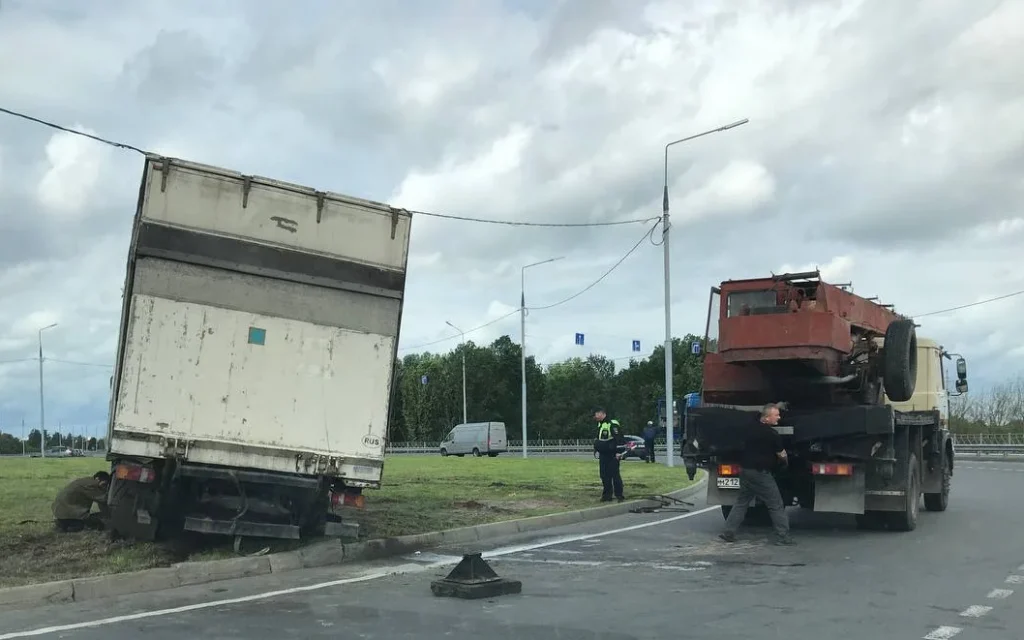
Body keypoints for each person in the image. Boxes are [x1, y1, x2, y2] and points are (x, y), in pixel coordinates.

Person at [719, 403, 796, 546]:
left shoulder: (749, 430)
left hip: (746, 471)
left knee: (742, 502)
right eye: (776, 415)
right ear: (766, 418)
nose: (779, 417)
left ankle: (728, 532)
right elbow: (781, 454)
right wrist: (785, 461)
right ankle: (783, 536)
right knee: (776, 504)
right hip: (760, 474)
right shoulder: (772, 434)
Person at [593, 408, 625, 502]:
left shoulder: (612, 424)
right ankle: (607, 495)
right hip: (603, 454)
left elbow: (619, 438)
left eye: (597, 414)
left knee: (614, 475)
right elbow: (599, 438)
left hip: (613, 454)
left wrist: (619, 452)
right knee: (604, 475)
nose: (595, 416)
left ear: (603, 414)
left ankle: (619, 495)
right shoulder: (600, 424)